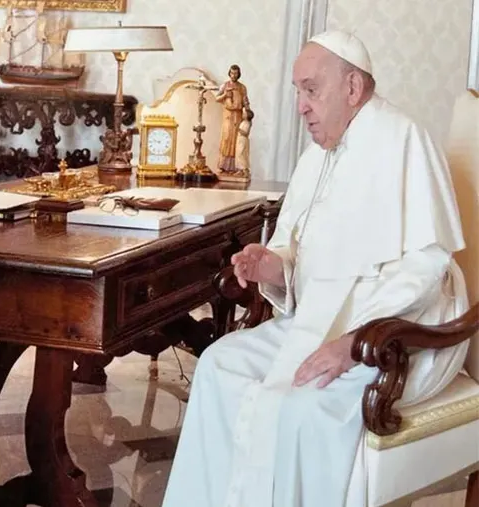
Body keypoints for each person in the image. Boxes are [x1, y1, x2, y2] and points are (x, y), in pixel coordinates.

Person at [162, 30, 469, 507]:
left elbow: (426, 268)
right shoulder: (318, 156)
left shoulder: (403, 139)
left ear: (353, 87)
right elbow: (306, 260)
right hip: (321, 322)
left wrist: (354, 343)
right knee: (218, 366)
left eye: (311, 90)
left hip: (398, 337)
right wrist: (272, 267)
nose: (301, 107)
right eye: (298, 92)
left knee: (299, 408)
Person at [214, 64, 250, 173]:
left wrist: (248, 111)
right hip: (228, 116)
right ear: (229, 73)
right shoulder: (225, 85)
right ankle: (223, 165)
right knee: (226, 138)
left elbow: (245, 101)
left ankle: (235, 166)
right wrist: (225, 95)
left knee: (236, 140)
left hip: (238, 115)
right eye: (232, 73)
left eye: (236, 73)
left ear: (239, 74)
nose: (233, 75)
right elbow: (217, 98)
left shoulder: (242, 87)